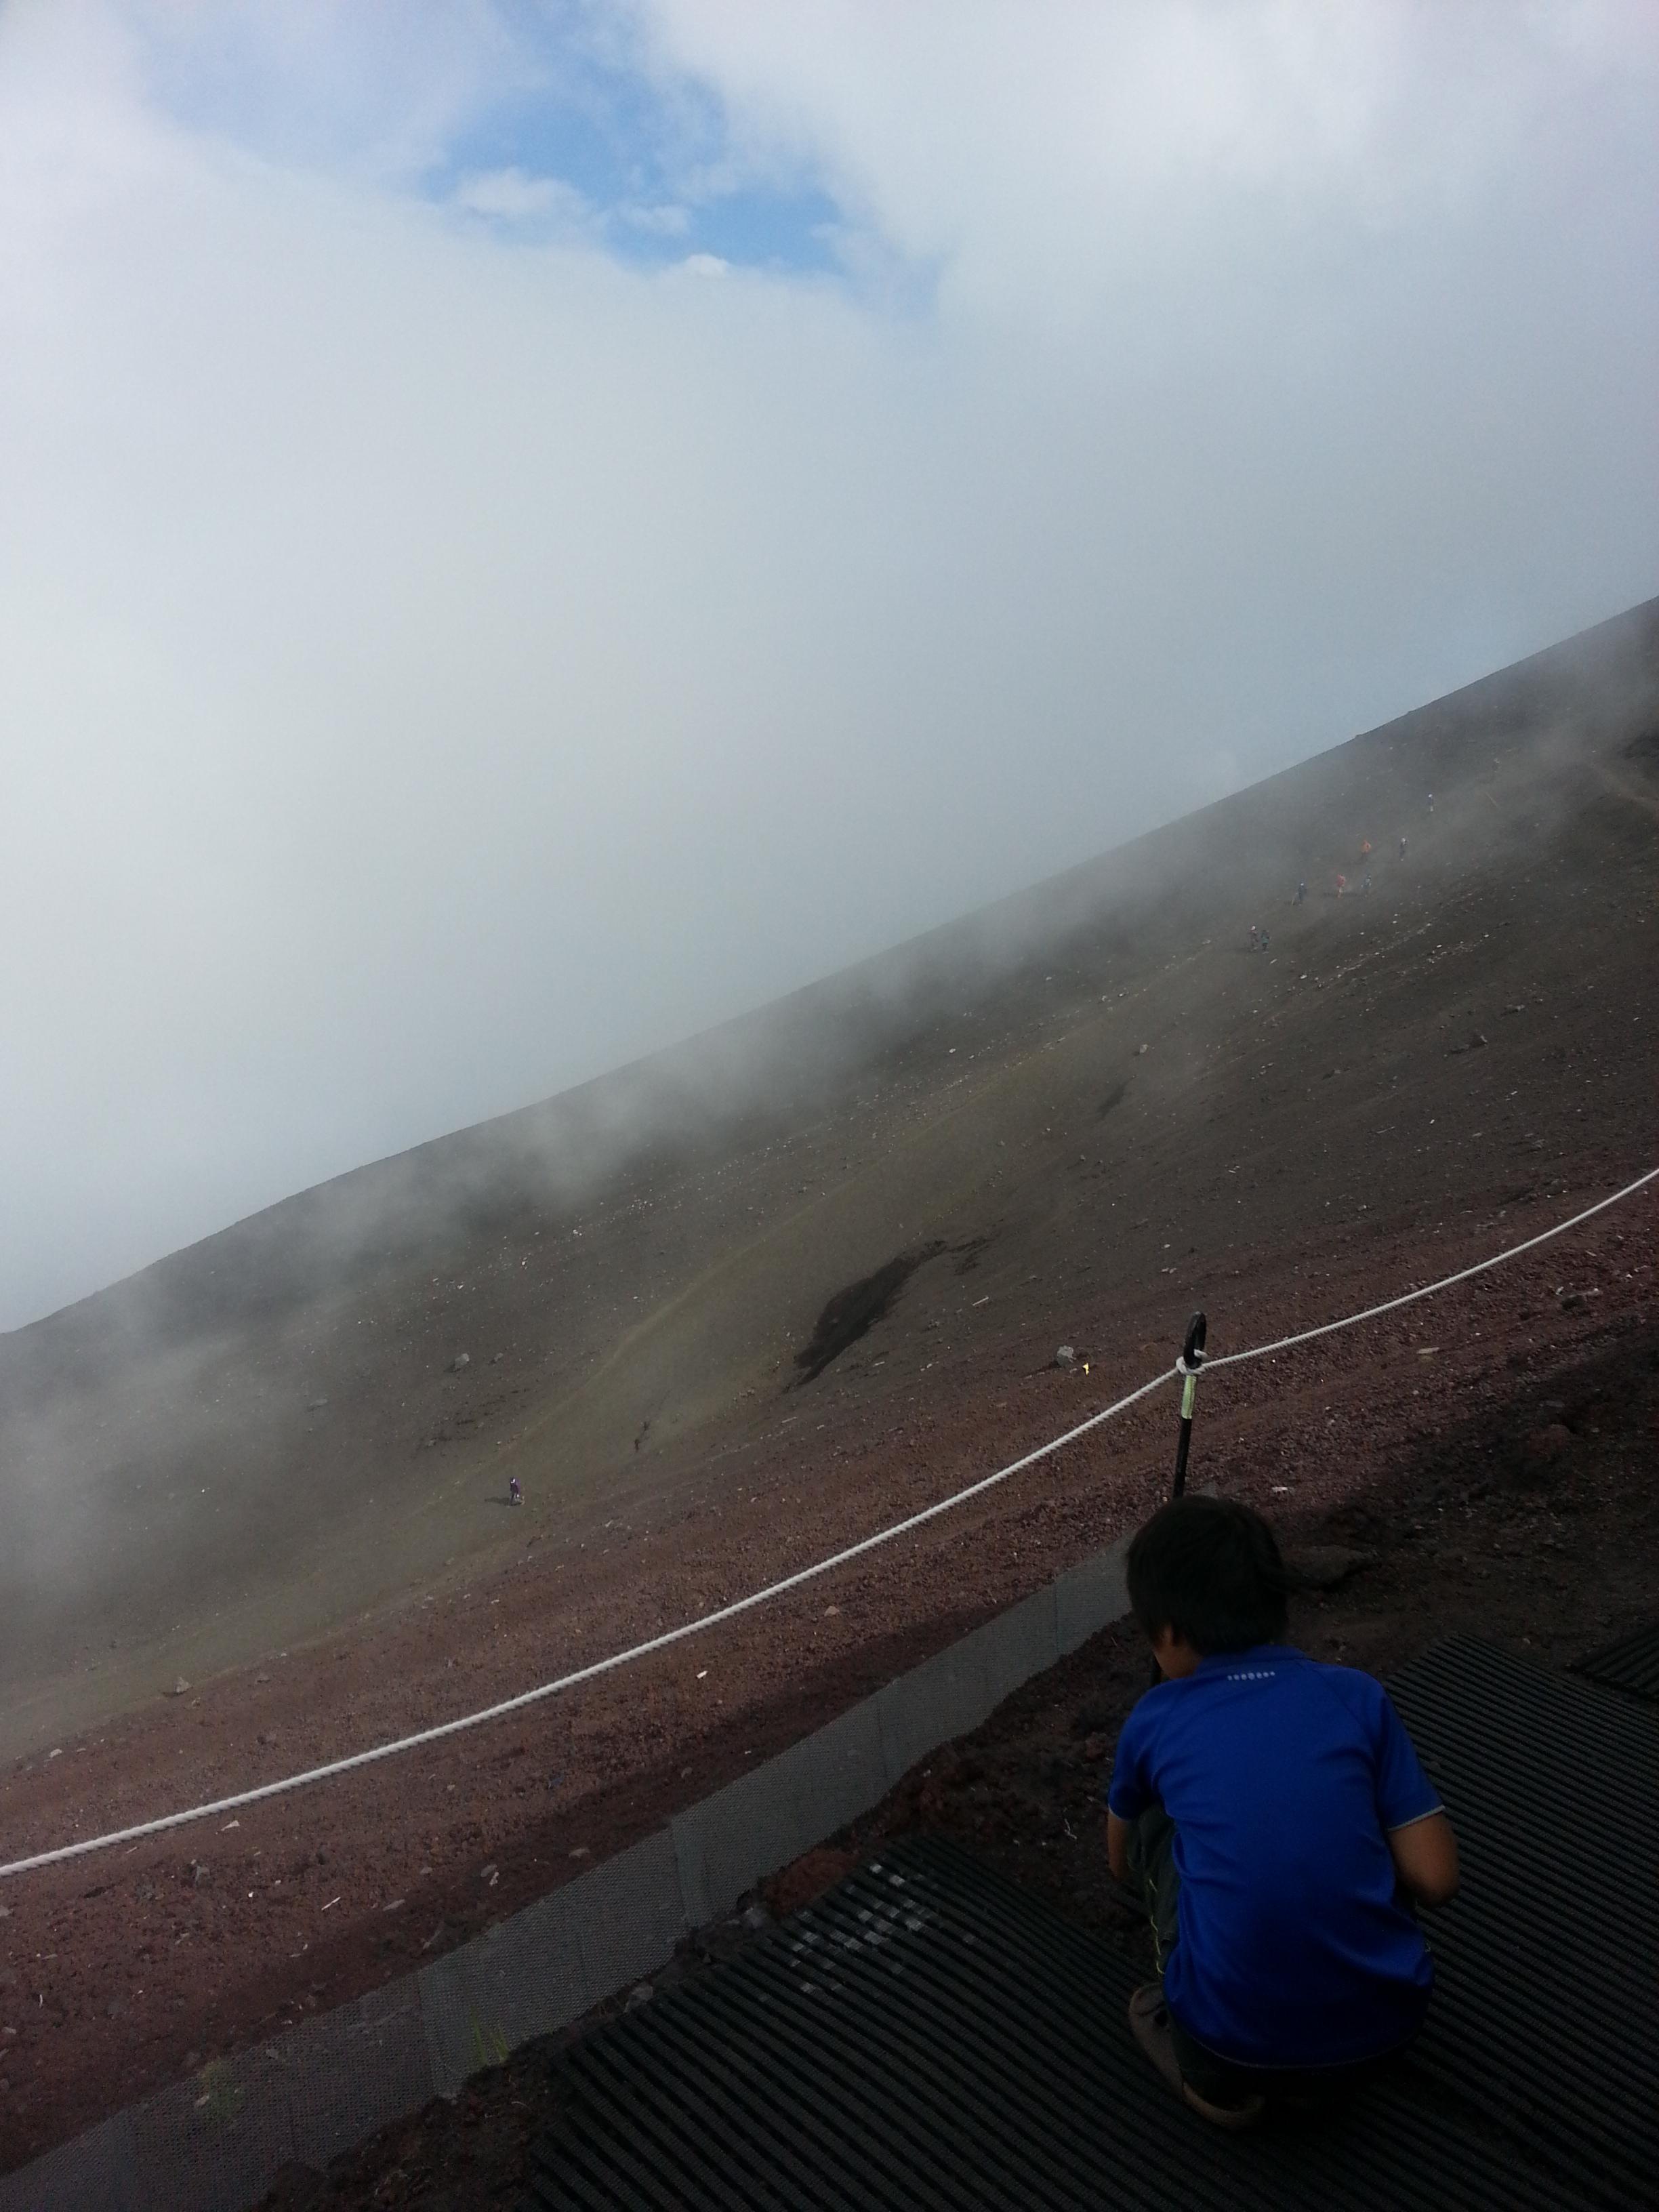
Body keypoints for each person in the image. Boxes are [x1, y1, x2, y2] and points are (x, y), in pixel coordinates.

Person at [1105, 1496, 1458, 2129]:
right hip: (1388, 2034)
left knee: (1159, 1826)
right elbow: (1437, 1879)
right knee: (1356, 1812)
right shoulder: (1358, 1698)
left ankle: (1211, 2085)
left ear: (1168, 1634)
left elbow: (1117, 1861)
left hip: (1225, 2045)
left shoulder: (1154, 1720)